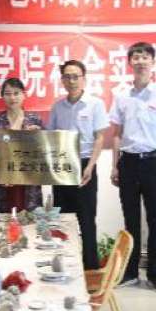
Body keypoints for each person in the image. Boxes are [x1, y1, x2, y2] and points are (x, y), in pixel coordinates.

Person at [109, 42, 156, 293]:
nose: (140, 61)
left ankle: (155, 274)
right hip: (128, 162)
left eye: (145, 57)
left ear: (152, 62)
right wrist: (115, 165)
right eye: (135, 57)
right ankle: (130, 272)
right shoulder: (121, 96)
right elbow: (117, 134)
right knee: (131, 219)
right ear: (130, 63)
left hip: (154, 162)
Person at [48, 60, 109, 270]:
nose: (72, 81)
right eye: (67, 77)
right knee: (62, 219)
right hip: (62, 167)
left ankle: (90, 268)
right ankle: (63, 266)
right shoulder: (57, 107)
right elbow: (51, 137)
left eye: (76, 76)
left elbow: (99, 138)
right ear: (62, 80)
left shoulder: (95, 104)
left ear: (84, 79)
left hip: (85, 166)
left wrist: (90, 166)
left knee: (86, 219)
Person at [0, 77, 43, 213]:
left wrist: (39, 137)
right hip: (3, 182)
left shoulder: (34, 120)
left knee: (28, 220)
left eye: (16, 93)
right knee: (4, 221)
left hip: (28, 183)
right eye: (8, 93)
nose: (12, 98)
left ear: (24, 95)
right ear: (2, 96)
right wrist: (1, 171)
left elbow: (44, 152)